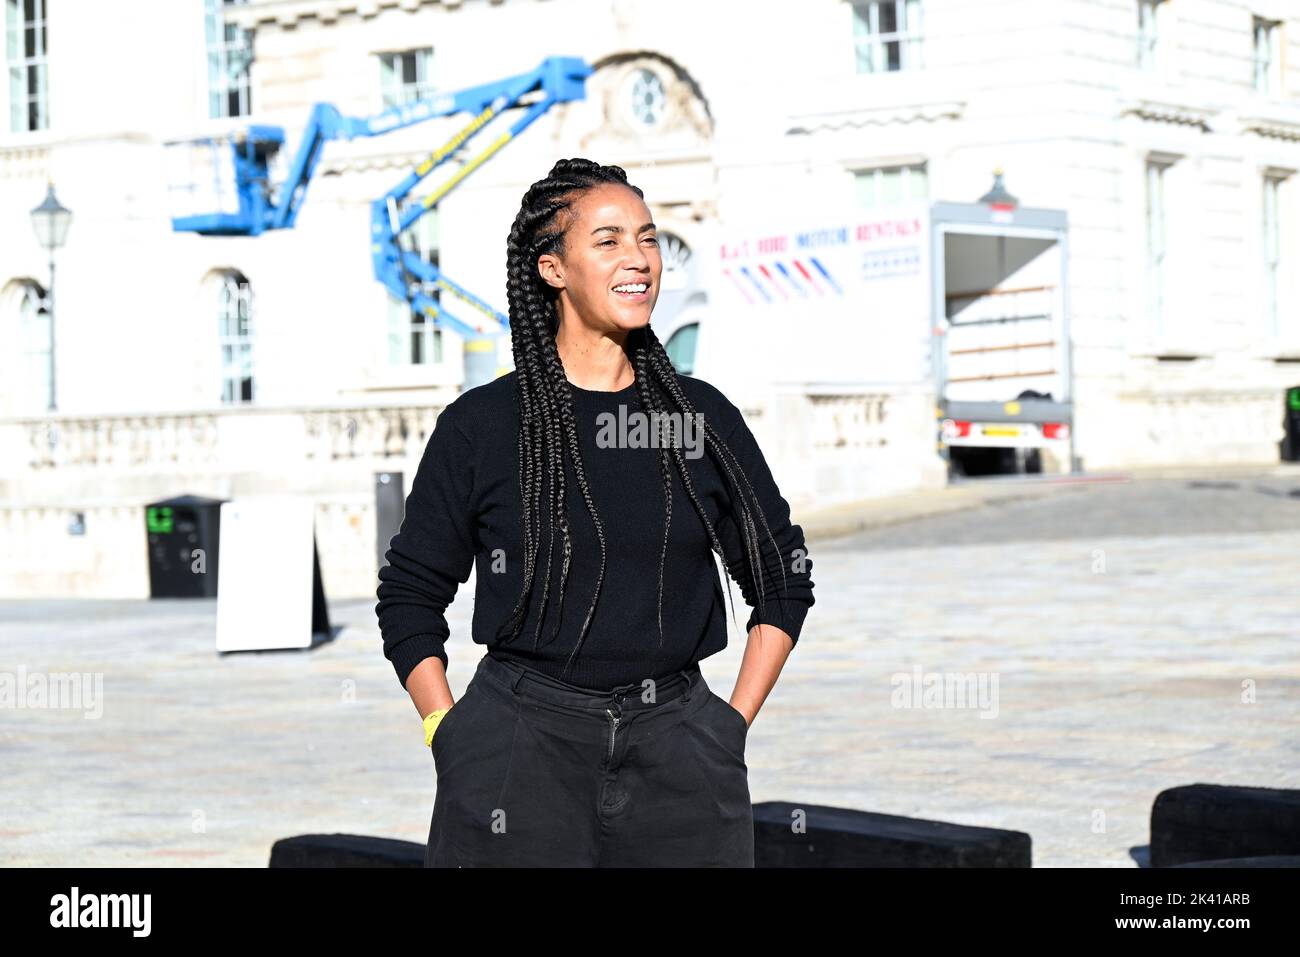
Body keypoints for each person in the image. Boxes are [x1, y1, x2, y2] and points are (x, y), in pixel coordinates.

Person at [375, 157, 815, 867]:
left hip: (681, 753)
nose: (639, 258)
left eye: (646, 238)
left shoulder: (697, 419)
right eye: (608, 240)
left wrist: (726, 728)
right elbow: (410, 593)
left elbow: (783, 578)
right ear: (553, 268)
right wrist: (447, 732)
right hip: (517, 748)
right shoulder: (483, 425)